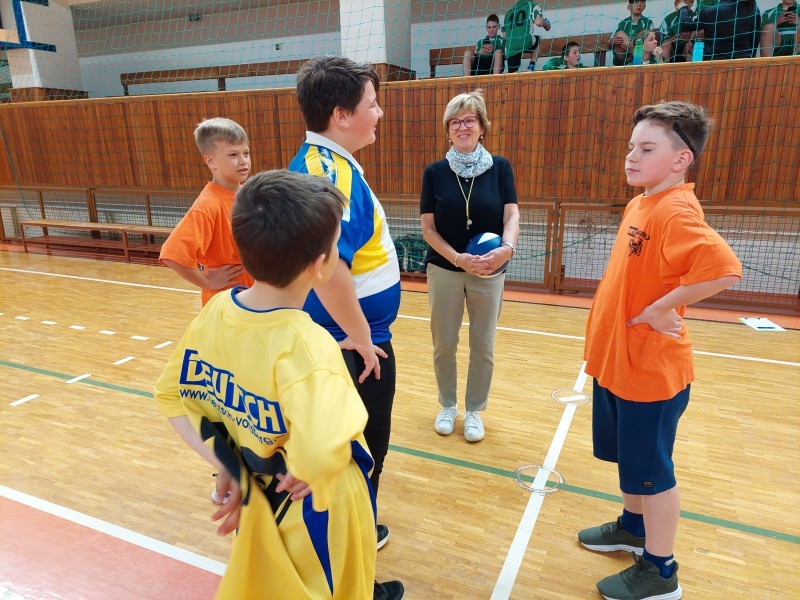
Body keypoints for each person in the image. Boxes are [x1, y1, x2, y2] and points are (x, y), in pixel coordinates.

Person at [154, 170, 401, 600]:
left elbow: (172, 396)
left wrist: (228, 463)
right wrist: (310, 465)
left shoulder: (216, 312)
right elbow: (325, 449)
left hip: (259, 502)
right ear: (321, 264)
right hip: (319, 511)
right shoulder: (310, 346)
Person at [578, 101, 742, 600]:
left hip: (649, 372)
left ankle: (660, 569)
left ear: (681, 159)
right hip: (619, 362)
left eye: (646, 148)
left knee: (654, 474)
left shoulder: (675, 208)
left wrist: (660, 307)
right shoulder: (642, 202)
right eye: (632, 146)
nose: (632, 156)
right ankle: (633, 528)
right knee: (633, 465)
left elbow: (724, 269)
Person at [288, 56, 402, 571]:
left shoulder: (326, 163)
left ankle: (354, 537)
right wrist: (359, 336)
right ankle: (350, 565)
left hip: (347, 338)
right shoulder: (328, 173)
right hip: (352, 346)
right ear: (341, 115)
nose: (379, 113)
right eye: (372, 104)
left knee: (347, 457)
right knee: (357, 459)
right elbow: (329, 266)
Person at [419, 90, 519, 443]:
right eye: (455, 122)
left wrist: (506, 250)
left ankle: (474, 409)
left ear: (482, 126)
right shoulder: (435, 172)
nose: (463, 127)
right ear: (448, 130)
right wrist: (458, 258)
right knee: (444, 344)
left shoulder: (501, 167)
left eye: (470, 120)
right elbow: (428, 228)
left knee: (483, 347)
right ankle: (448, 405)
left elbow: (512, 214)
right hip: (445, 269)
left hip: (490, 271)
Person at [159, 118, 254, 307]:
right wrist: (208, 282)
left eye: (246, 153)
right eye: (233, 155)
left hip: (255, 297)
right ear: (211, 161)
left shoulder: (250, 194)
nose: (243, 161)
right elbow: (172, 255)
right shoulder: (207, 205)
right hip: (227, 303)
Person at [676, 0, 761, 60]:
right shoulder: (754, 10)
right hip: (744, 64)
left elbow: (686, 25)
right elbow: (755, 40)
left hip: (715, 65)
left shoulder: (711, 11)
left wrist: (682, 7)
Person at [502, 0, 552, 72]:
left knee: (512, 75)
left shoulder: (508, 13)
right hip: (525, 42)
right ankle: (531, 66)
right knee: (538, 39)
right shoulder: (532, 5)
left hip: (511, 48)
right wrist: (547, 25)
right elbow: (539, 22)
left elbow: (504, 36)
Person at [610, 0, 656, 66]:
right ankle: (636, 55)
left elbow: (649, 40)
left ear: (644, 7)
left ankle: (636, 57)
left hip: (641, 54)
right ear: (629, 7)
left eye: (642, 2)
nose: (639, 5)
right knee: (620, 34)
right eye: (636, 2)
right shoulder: (623, 23)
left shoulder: (648, 22)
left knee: (644, 34)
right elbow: (608, 45)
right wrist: (612, 41)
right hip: (623, 60)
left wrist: (633, 40)